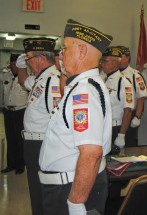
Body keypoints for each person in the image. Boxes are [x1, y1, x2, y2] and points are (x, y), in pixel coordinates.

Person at [38, 19, 112, 215]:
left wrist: (76, 202)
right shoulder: (82, 86)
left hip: (71, 189)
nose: (60, 55)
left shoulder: (84, 93)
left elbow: (91, 153)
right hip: (67, 184)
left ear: (81, 51)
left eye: (64, 49)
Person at [18, 37, 62, 215]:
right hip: (34, 144)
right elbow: (23, 81)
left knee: (42, 193)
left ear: (41, 58)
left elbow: (57, 118)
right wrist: (22, 66)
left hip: (42, 144)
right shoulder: (41, 79)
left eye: (28, 58)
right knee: (36, 190)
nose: (27, 62)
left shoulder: (52, 81)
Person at [101, 46, 134, 152]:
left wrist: (121, 135)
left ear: (115, 63)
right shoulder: (102, 79)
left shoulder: (123, 82)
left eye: (105, 61)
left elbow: (128, 111)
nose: (102, 64)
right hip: (103, 127)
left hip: (115, 128)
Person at [0, 53, 28, 175]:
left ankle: (20, 165)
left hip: (20, 112)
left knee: (19, 139)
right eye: (11, 64)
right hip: (8, 112)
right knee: (10, 138)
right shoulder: (5, 75)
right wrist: (4, 66)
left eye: (15, 64)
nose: (12, 66)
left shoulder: (26, 78)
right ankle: (11, 164)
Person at [118, 46, 147, 147]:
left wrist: (137, 117)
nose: (118, 59)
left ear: (128, 58)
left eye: (121, 56)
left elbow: (141, 97)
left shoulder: (135, 75)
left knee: (129, 145)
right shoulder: (112, 74)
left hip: (129, 115)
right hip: (115, 115)